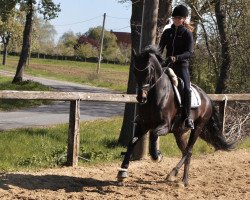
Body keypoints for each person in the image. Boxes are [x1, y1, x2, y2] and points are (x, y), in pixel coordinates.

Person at [159, 4, 194, 129]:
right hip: (167, 65)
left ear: (184, 19)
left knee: (186, 89)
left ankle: (187, 117)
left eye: (179, 18)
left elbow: (189, 53)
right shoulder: (167, 32)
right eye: (174, 17)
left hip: (181, 66)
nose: (176, 20)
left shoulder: (187, 34)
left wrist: (176, 57)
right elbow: (160, 49)